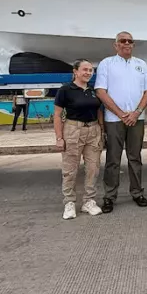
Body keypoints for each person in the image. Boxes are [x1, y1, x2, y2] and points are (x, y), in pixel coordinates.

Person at [95, 31, 147, 213]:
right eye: (122, 41)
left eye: (130, 41)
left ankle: (137, 193)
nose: (126, 43)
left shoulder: (141, 64)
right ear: (116, 45)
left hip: (137, 119)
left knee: (135, 158)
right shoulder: (107, 63)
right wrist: (121, 114)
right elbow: (100, 91)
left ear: (133, 44)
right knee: (113, 159)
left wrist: (136, 113)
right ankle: (109, 196)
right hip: (114, 120)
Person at [54, 59, 104, 220]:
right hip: (73, 130)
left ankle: (88, 201)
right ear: (75, 71)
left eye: (91, 70)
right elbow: (57, 115)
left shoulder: (92, 90)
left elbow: (98, 111)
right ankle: (69, 202)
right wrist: (59, 138)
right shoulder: (65, 90)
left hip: (93, 130)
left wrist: (102, 131)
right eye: (85, 69)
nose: (88, 73)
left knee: (93, 168)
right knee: (70, 169)